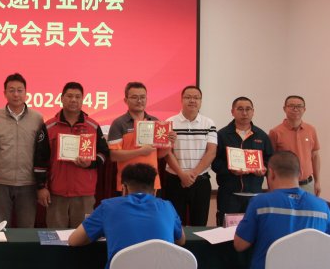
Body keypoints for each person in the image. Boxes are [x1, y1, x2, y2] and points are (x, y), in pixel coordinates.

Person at [69, 163, 185, 269]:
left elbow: (74, 240)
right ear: (155, 191)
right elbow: (181, 240)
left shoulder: (108, 207)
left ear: (123, 189)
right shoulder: (168, 206)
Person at [234, 151, 330, 269]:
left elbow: (239, 245)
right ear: (300, 173)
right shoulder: (322, 207)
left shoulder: (260, 203)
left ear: (271, 173)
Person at [34, 82, 109, 228]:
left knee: (83, 236)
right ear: (61, 98)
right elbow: (40, 160)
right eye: (69, 96)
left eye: (77, 97)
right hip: (57, 193)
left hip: (84, 193)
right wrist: (41, 187)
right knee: (55, 236)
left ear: (82, 99)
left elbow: (104, 153)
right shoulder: (49, 126)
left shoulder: (93, 126)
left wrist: (91, 163)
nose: (73, 100)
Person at [0, 73, 44, 227]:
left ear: (26, 92)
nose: (16, 94)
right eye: (11, 90)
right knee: (1, 229)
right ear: (5, 93)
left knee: (26, 229)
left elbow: (42, 154)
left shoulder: (37, 118)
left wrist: (41, 184)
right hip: (0, 182)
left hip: (28, 182)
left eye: (19, 90)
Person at [212, 97, 273, 226]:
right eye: (240, 109)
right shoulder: (222, 135)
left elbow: (270, 160)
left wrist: (264, 169)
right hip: (229, 195)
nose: (244, 113)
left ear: (253, 112)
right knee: (226, 232)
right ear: (232, 112)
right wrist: (230, 170)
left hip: (254, 194)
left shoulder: (262, 136)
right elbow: (215, 162)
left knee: (254, 230)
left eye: (248, 109)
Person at [108, 82, 174, 195]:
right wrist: (140, 151)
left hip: (152, 184)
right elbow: (113, 156)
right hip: (128, 185)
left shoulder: (155, 122)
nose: (139, 101)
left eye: (142, 97)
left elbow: (159, 155)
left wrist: (170, 143)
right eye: (134, 97)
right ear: (125, 100)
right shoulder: (118, 123)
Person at [163, 86, 217, 226]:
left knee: (199, 224)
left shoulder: (209, 123)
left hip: (201, 181)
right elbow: (167, 152)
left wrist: (193, 174)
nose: (192, 100)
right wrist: (182, 175)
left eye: (196, 98)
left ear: (201, 101)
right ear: (181, 100)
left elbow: (211, 152)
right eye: (188, 97)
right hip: (175, 180)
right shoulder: (169, 122)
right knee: (174, 224)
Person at [269, 95, 321, 196]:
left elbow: (315, 156)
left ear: (304, 109)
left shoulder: (311, 130)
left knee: (308, 207)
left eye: (299, 106)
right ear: (284, 108)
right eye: (291, 106)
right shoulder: (275, 132)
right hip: (285, 185)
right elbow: (271, 161)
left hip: (308, 184)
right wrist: (272, 185)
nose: (295, 109)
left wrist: (317, 181)